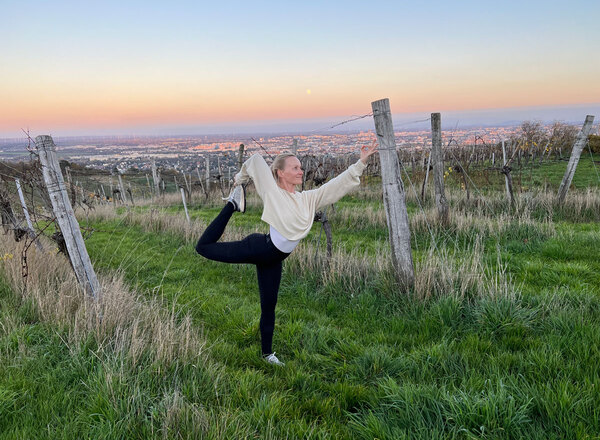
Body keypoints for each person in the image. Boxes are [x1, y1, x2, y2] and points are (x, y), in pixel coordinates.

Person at [195, 141, 378, 366]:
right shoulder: (273, 192)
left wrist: (361, 163)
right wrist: (240, 179)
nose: (301, 171)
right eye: (295, 168)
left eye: (301, 167)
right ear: (280, 173)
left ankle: (267, 354)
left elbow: (334, 187)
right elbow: (254, 161)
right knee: (203, 248)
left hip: (275, 258)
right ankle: (232, 204)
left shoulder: (307, 199)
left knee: (269, 304)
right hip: (260, 248)